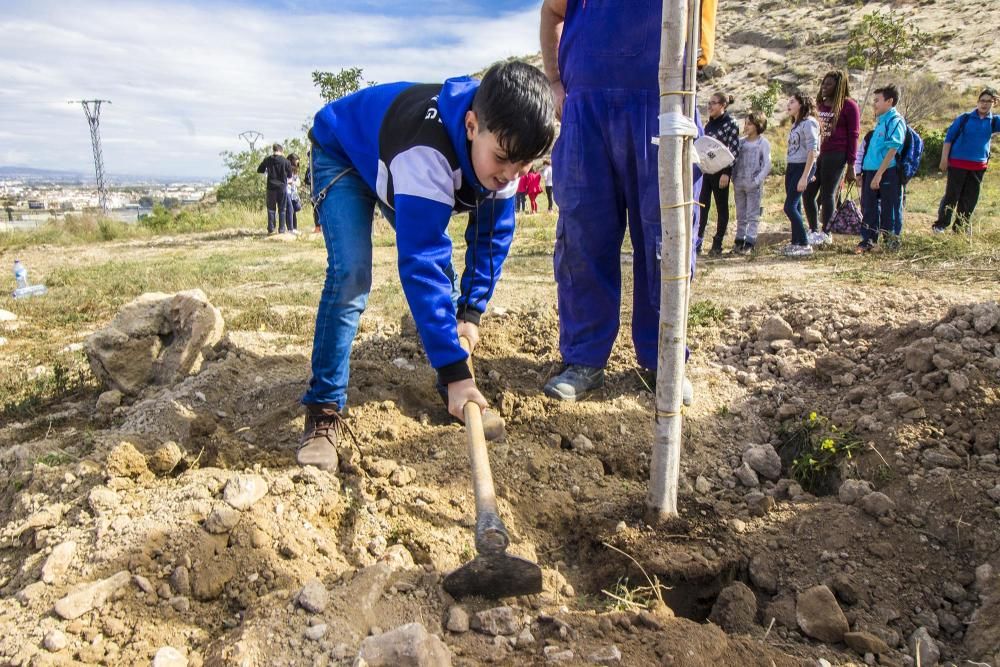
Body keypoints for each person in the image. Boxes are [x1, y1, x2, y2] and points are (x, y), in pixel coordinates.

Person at [297, 61, 556, 470]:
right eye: (502, 159)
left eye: (521, 167)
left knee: (448, 281)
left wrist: (471, 311)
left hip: (389, 157)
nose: (508, 175)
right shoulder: (427, 154)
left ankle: (452, 387)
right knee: (352, 275)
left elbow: (490, 241)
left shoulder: (507, 150)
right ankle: (323, 409)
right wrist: (457, 369)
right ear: (472, 125)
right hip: (344, 151)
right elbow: (421, 262)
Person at [540, 0, 703, 402]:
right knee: (583, 236)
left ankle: (663, 360)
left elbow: (698, 39)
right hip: (585, 112)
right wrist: (556, 81)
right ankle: (584, 360)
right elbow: (551, 12)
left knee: (667, 239)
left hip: (663, 105)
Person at [932, 87, 1000, 233]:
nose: (985, 104)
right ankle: (940, 225)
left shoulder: (994, 121)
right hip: (957, 164)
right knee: (952, 195)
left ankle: (960, 227)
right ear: (977, 102)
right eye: (982, 100)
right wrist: (944, 159)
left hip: (978, 166)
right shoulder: (965, 118)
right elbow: (948, 139)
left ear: (994, 103)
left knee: (970, 198)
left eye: (989, 101)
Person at [804, 70, 860, 245]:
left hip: (836, 154)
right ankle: (814, 229)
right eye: (823, 83)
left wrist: (851, 165)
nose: (824, 87)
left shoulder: (849, 106)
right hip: (817, 153)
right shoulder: (819, 105)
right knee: (808, 192)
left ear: (839, 86)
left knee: (828, 193)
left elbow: (854, 135)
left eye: (829, 84)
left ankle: (826, 232)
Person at [855, 84, 906, 254]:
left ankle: (891, 242)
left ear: (890, 101)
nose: (874, 104)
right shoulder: (880, 122)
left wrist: (879, 174)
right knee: (868, 207)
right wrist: (862, 173)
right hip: (871, 171)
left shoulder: (895, 121)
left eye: (877, 100)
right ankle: (868, 240)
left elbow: (893, 148)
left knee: (889, 208)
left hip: (887, 172)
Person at [697, 92, 740, 256]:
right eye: (709, 103)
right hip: (706, 171)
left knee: (722, 208)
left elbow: (734, 149)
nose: (710, 106)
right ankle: (698, 240)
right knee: (702, 206)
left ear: (723, 105)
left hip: (721, 172)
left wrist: (727, 172)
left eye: (713, 103)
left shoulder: (731, 123)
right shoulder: (709, 125)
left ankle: (718, 242)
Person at [782, 93, 820, 257]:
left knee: (789, 206)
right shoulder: (796, 125)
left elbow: (813, 150)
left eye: (792, 101)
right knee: (795, 205)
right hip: (792, 166)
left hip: (802, 167)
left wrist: (806, 175)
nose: (788, 104)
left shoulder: (809, 123)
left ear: (802, 104)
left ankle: (805, 243)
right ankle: (795, 241)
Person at [731, 111, 771, 255]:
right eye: (745, 123)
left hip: (753, 184)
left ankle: (750, 241)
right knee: (740, 213)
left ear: (758, 125)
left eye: (749, 123)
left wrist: (757, 180)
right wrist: (733, 178)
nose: (746, 126)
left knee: (752, 214)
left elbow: (767, 164)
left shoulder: (762, 143)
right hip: (739, 182)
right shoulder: (741, 143)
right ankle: (739, 239)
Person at [257, 143, 292, 234]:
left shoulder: (267, 160)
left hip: (271, 188)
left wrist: (267, 170)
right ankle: (281, 229)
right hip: (282, 188)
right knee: (282, 209)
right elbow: (289, 175)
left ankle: (271, 228)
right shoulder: (286, 162)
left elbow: (259, 170)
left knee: (271, 209)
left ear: (273, 150)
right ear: (281, 150)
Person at [284, 153, 302, 235]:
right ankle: (291, 229)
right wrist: (291, 182)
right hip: (287, 191)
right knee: (290, 209)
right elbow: (286, 181)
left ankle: (294, 228)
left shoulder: (295, 170)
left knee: (295, 208)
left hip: (293, 193)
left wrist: (293, 182)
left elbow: (298, 182)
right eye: (296, 161)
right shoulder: (285, 168)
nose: (298, 163)